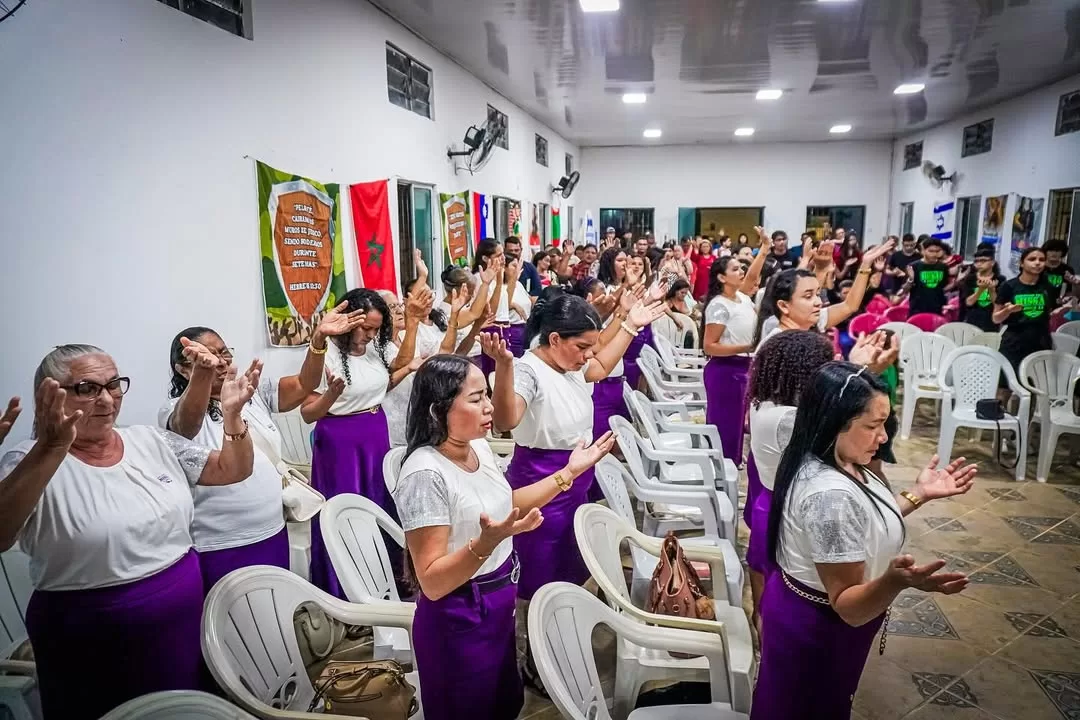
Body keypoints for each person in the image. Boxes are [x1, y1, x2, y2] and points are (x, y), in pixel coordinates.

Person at [0, 344, 258, 719]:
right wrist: (52, 447)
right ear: (51, 395)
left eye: (113, 385)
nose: (107, 399)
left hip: (182, 615)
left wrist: (233, 417)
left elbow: (232, 469)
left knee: (188, 707)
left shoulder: (149, 440)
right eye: (87, 388)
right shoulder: (27, 459)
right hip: (92, 636)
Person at [751, 362, 977, 719]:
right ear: (833, 422)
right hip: (818, 627)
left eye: (885, 423)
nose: (883, 437)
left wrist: (919, 494)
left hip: (805, 612)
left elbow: (860, 525)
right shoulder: (830, 498)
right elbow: (849, 605)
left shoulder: (836, 457)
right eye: (872, 426)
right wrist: (893, 582)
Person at [394, 355, 613, 720]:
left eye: (487, 395)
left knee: (503, 704)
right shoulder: (425, 475)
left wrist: (569, 472)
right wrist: (484, 545)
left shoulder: (476, 447)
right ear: (438, 410)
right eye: (476, 398)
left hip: (497, 602)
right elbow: (432, 581)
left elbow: (507, 502)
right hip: (459, 615)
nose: (489, 407)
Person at [488, 289, 662, 690]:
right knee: (540, 577)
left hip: (575, 481)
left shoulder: (569, 367)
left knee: (567, 569)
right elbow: (505, 419)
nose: (587, 355)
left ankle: (560, 644)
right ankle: (536, 661)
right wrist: (504, 366)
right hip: (542, 481)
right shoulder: (528, 370)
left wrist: (630, 324)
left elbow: (599, 365)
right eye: (581, 346)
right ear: (554, 339)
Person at [160, 305, 361, 589]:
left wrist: (318, 340)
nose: (219, 362)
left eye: (223, 353)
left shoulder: (251, 392)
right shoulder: (175, 410)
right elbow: (185, 427)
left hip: (272, 530)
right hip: (223, 541)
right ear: (183, 369)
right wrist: (203, 374)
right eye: (207, 358)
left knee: (275, 608)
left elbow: (304, 383)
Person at [300, 288, 417, 598]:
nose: (370, 335)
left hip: (374, 433)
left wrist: (413, 326)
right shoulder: (325, 351)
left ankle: (383, 581)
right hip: (341, 441)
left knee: (379, 504)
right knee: (346, 509)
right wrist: (331, 394)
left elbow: (386, 377)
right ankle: (345, 590)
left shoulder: (375, 346)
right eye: (365, 328)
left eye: (376, 328)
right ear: (348, 320)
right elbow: (308, 410)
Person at [701, 231, 769, 466]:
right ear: (722, 277)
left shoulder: (742, 297)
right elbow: (710, 346)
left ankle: (731, 464)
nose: (741, 272)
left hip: (742, 366)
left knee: (738, 423)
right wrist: (749, 347)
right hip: (726, 370)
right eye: (735, 269)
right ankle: (721, 469)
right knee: (726, 424)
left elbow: (752, 277)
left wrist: (764, 249)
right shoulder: (719, 306)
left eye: (741, 268)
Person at [754, 240, 896, 345]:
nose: (819, 302)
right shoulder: (775, 339)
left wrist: (865, 264)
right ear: (784, 306)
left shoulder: (806, 321)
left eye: (817, 295)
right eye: (808, 297)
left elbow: (849, 306)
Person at [994, 247, 1055, 387]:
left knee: (1036, 386)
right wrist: (1008, 311)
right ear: (1021, 263)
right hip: (1014, 341)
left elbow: (1049, 310)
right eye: (1032, 259)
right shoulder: (1009, 286)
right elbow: (996, 318)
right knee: (1005, 386)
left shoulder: (1047, 287)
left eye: (1041, 260)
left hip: (1041, 340)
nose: (1037, 263)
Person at [958, 248, 1006, 332]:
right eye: (976, 261)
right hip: (972, 319)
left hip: (991, 321)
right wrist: (980, 290)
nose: (979, 264)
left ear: (992, 262)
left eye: (983, 261)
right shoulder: (970, 279)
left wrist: (991, 290)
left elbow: (998, 305)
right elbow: (968, 303)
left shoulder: (1000, 279)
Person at [904, 237, 951, 315]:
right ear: (923, 251)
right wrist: (911, 279)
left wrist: (956, 282)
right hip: (917, 309)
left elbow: (943, 288)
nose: (934, 254)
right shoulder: (913, 266)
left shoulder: (943, 267)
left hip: (937, 308)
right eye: (931, 251)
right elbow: (904, 290)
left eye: (937, 251)